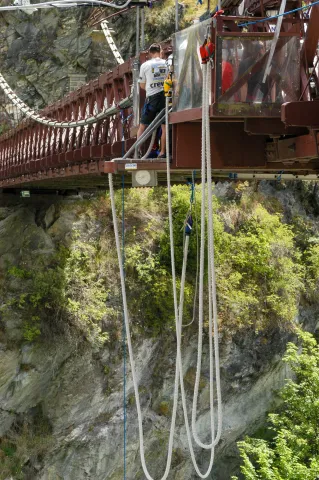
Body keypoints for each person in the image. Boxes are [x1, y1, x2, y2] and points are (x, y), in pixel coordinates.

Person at [137, 43, 168, 158]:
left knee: (143, 125)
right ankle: (162, 152)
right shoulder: (166, 63)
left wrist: (151, 88)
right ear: (161, 52)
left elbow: (142, 85)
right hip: (165, 97)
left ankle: (138, 151)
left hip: (152, 98)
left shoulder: (145, 65)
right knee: (164, 127)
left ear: (150, 53)